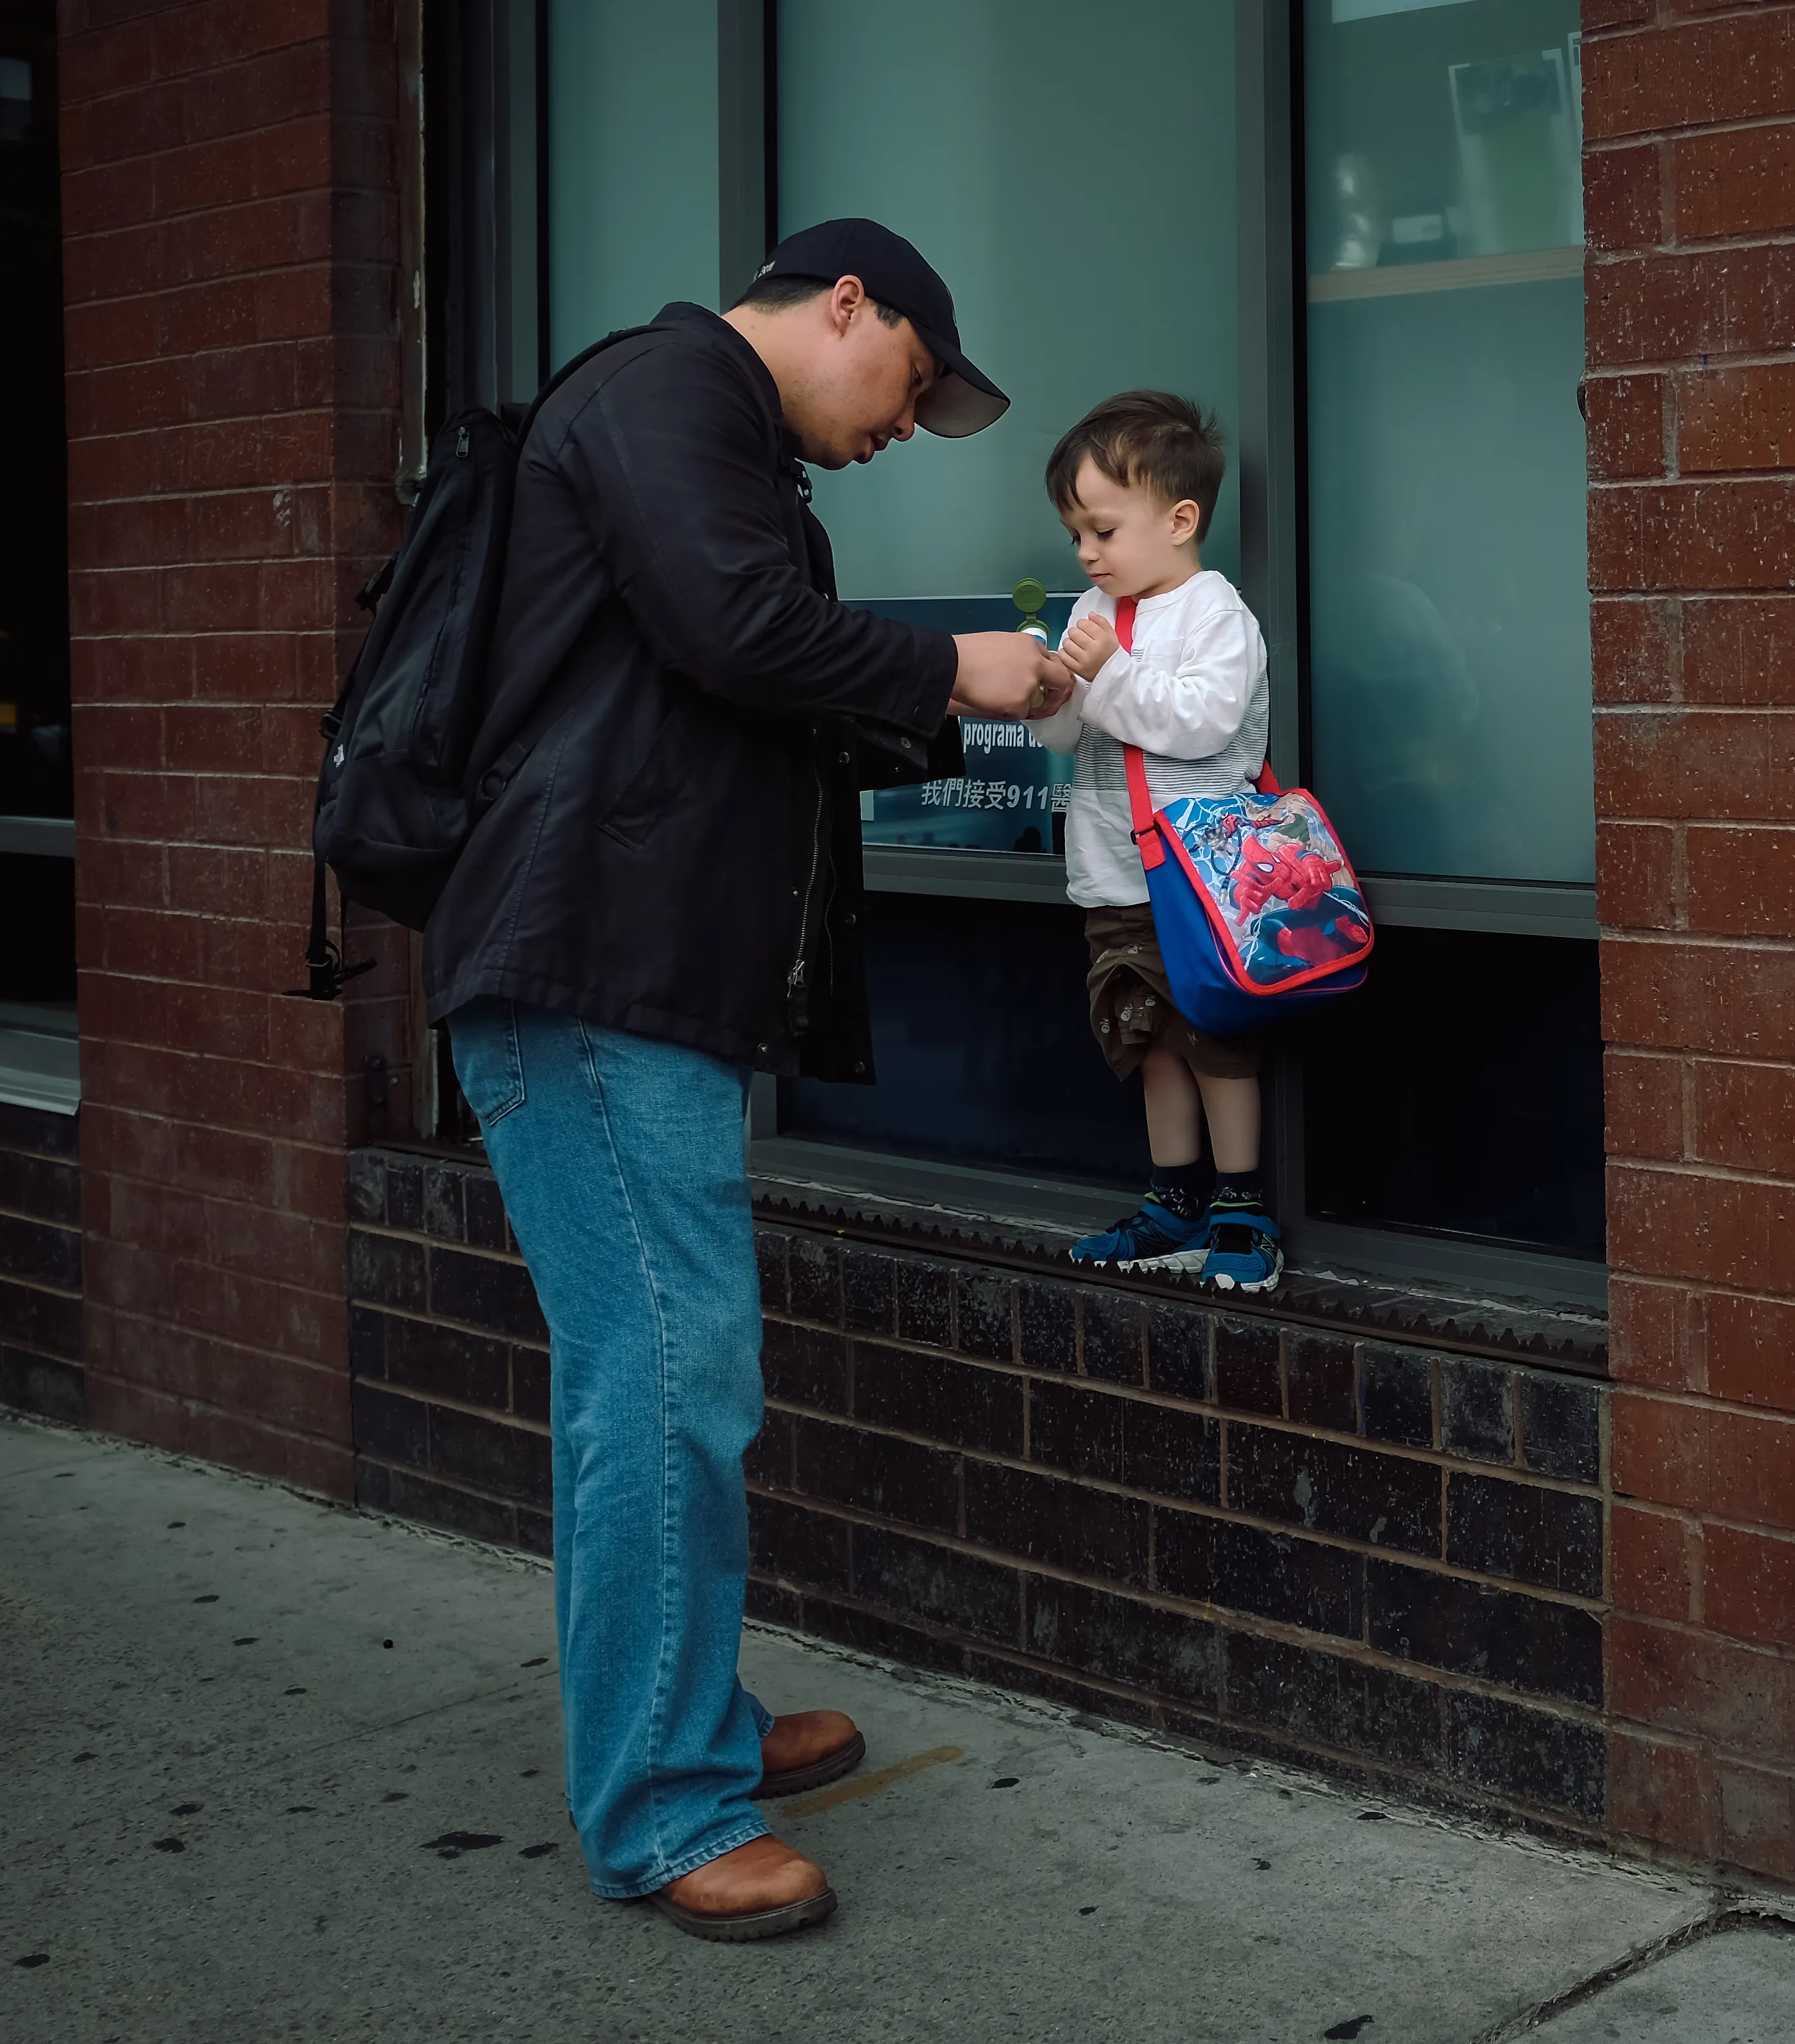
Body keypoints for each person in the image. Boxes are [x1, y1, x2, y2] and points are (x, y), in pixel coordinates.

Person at [421, 220, 1072, 1942]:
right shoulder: (664, 391)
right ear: (845, 303)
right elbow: (735, 630)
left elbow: (755, 680)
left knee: (673, 1370)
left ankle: (685, 1727)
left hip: (629, 971)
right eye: (911, 385)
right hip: (585, 970)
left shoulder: (708, 435)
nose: (902, 428)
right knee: (660, 1376)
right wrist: (953, 666)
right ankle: (660, 1805)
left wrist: (977, 708)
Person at [1028, 393, 1282, 1295]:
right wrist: (1049, 692)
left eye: (1102, 529)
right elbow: (1072, 740)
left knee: (1215, 1041)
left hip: (1199, 878)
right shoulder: (1101, 611)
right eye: (1076, 536)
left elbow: (1202, 723)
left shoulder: (1217, 616)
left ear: (1181, 520)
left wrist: (1106, 672)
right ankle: (1173, 1198)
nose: (1088, 553)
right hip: (1115, 876)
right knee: (1150, 1040)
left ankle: (1242, 1205)